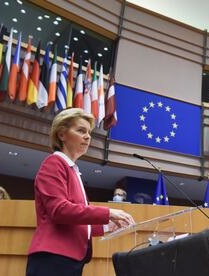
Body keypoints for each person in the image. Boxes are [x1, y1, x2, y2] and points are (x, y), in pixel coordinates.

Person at [26, 108, 135, 276]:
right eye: (81, 131)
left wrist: (107, 225)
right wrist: (108, 212)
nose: (87, 136)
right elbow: (60, 211)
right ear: (62, 135)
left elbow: (75, 221)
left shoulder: (72, 170)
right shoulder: (54, 163)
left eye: (89, 132)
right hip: (53, 258)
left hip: (70, 260)